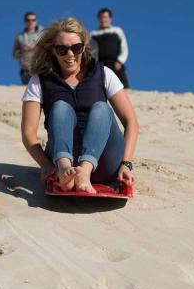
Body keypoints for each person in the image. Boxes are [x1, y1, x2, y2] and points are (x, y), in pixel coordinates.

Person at [21, 17, 138, 193]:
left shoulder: (103, 74)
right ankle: (64, 170)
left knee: (101, 108)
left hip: (105, 160)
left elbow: (131, 122)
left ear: (84, 47)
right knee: (60, 107)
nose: (70, 55)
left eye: (76, 48)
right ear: (53, 50)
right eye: (62, 49)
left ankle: (85, 171)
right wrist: (46, 165)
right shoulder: (39, 81)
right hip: (63, 157)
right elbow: (28, 132)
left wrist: (126, 163)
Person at [91, 8, 130, 88]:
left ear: (110, 18)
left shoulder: (117, 31)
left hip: (116, 64)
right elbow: (91, 52)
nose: (103, 19)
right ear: (98, 19)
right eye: (101, 17)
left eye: (105, 17)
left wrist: (120, 61)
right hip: (100, 66)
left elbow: (124, 47)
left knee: (123, 88)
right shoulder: (92, 34)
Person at [12, 11, 43, 85]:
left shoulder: (43, 33)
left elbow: (51, 48)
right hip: (26, 71)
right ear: (24, 21)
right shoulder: (19, 37)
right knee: (29, 95)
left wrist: (36, 46)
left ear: (36, 21)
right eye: (28, 20)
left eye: (33, 20)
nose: (30, 22)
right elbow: (14, 55)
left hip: (41, 69)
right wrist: (22, 50)